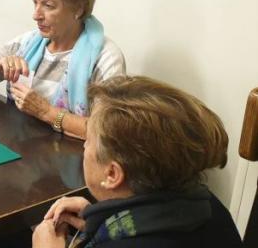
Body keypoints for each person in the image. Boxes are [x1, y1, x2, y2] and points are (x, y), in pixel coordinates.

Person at [32, 75, 242, 248]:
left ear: (112, 174)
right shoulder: (210, 207)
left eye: (88, 139)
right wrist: (99, 220)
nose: (85, 147)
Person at [0, 0, 125, 140]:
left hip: (73, 160)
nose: (36, 15)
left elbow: (109, 131)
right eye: (35, 2)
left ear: (79, 9)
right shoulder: (28, 43)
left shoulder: (105, 58)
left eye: (48, 5)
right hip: (23, 148)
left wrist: (46, 112)